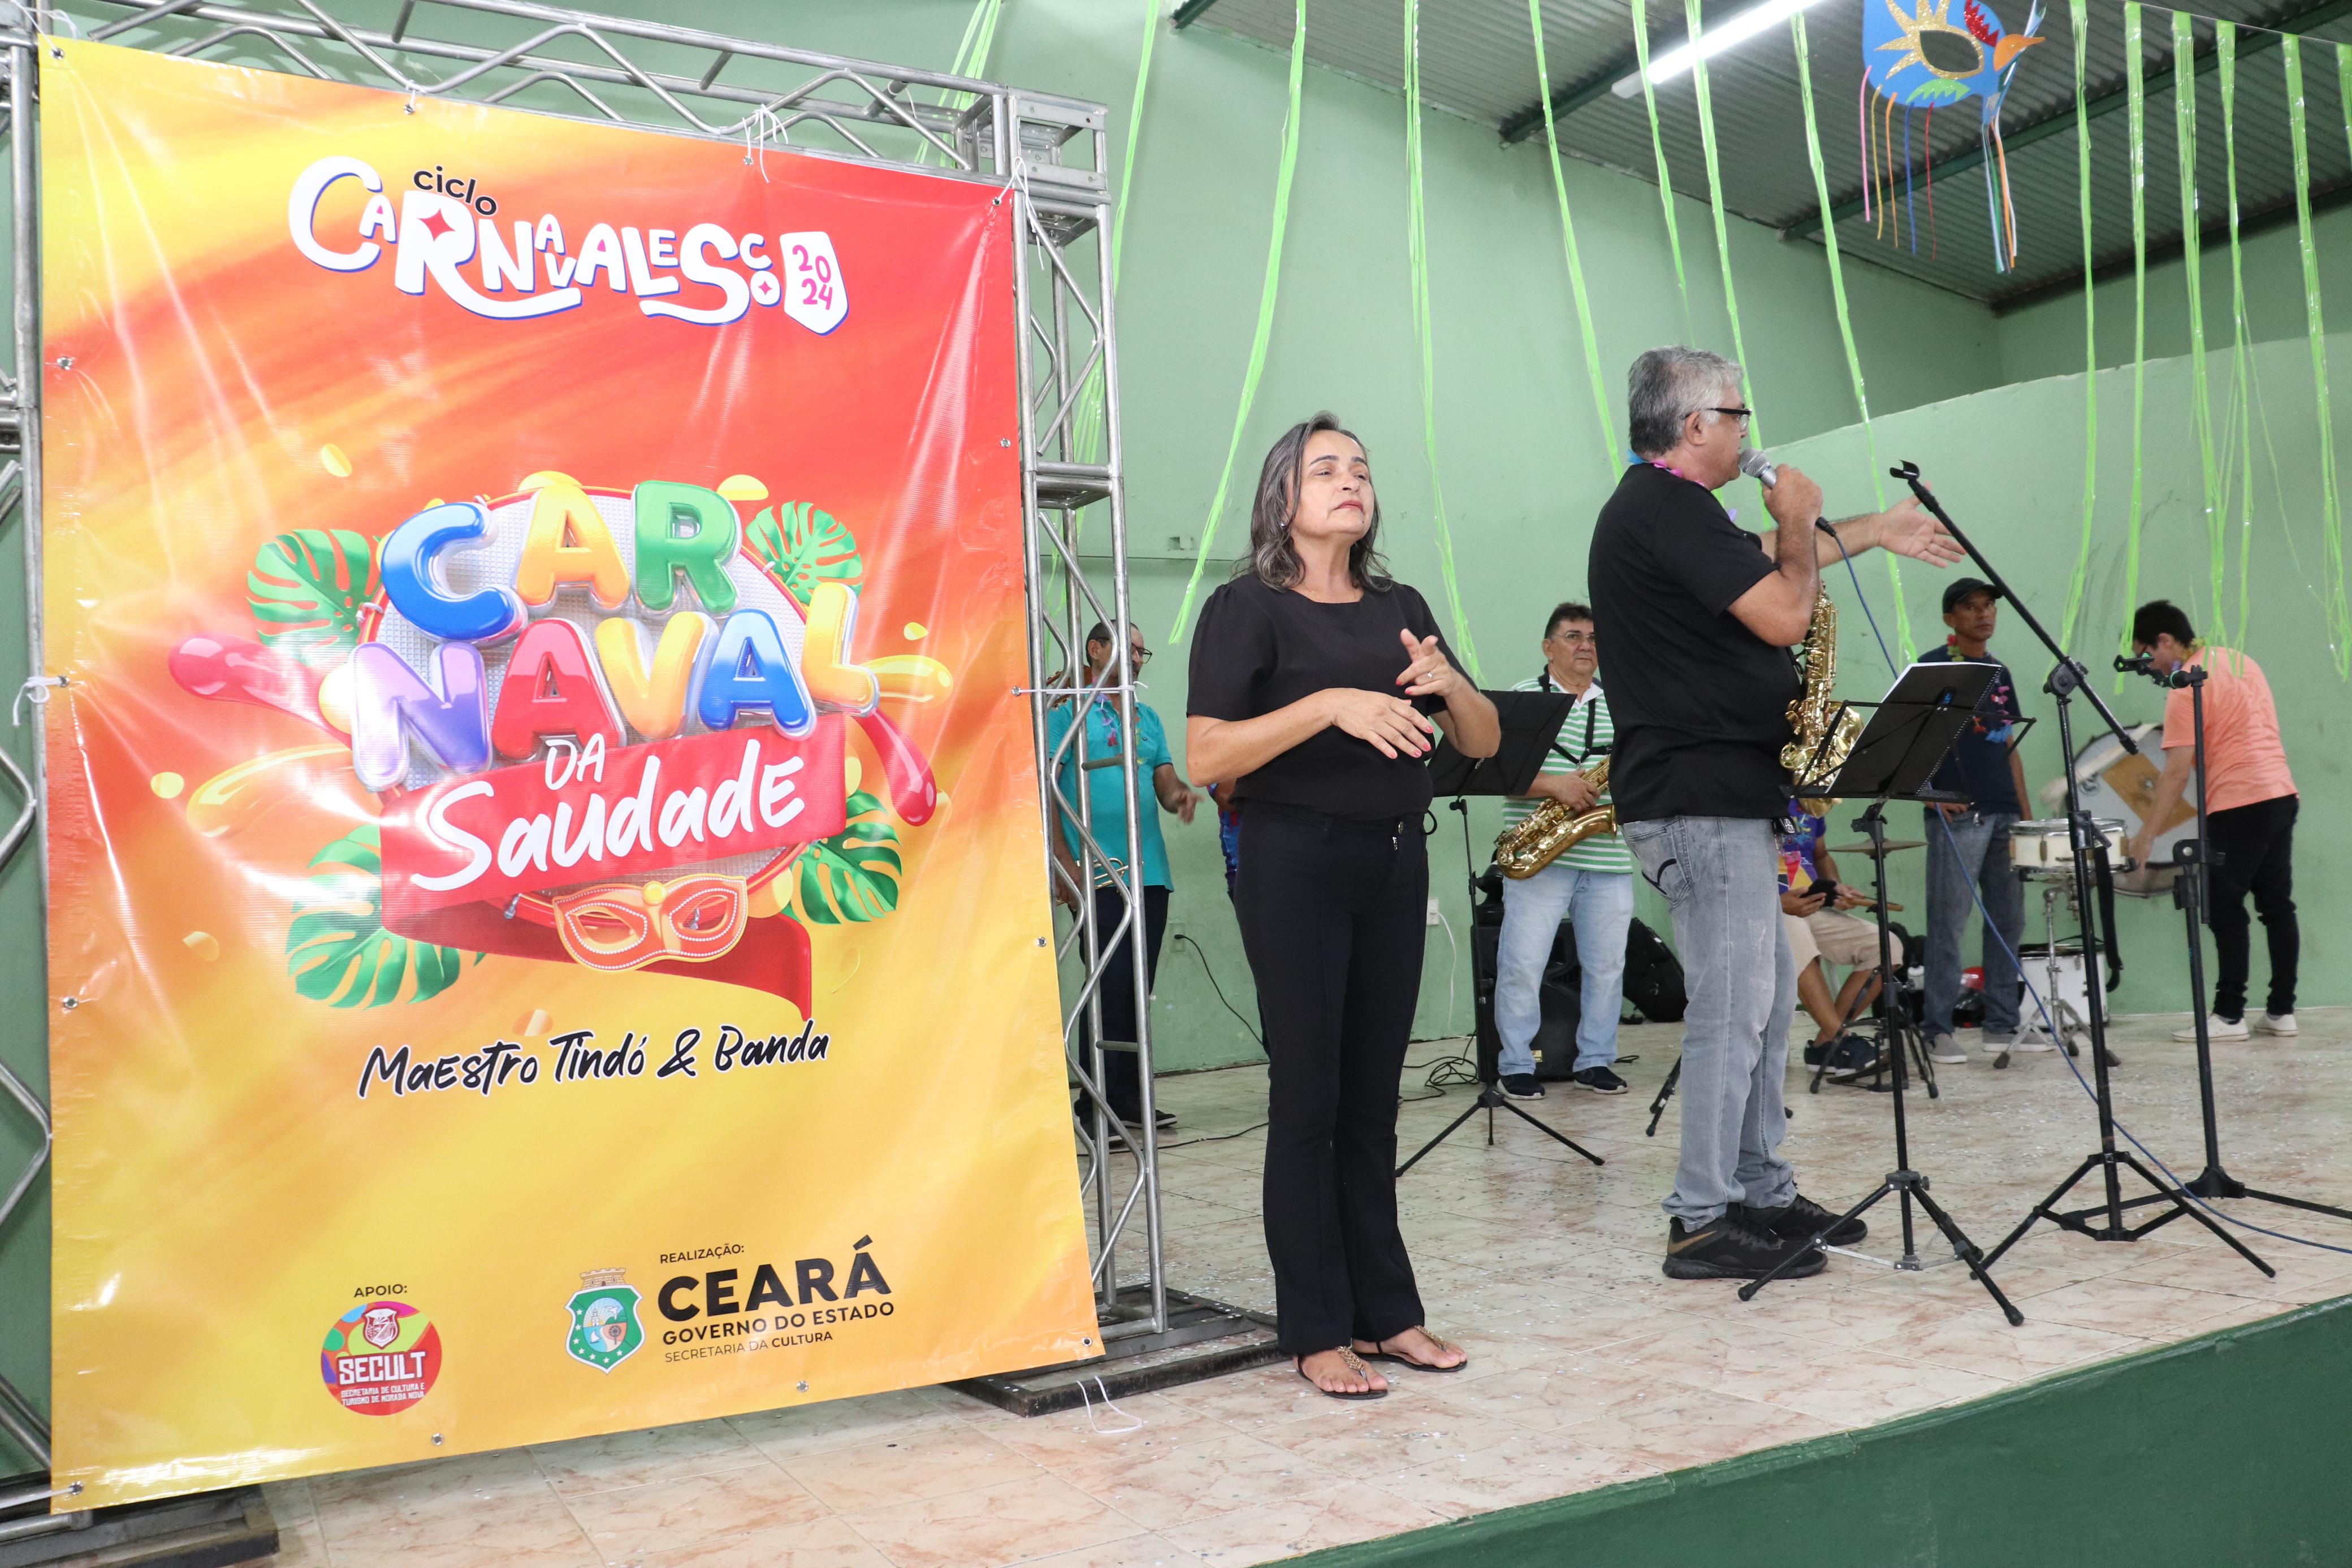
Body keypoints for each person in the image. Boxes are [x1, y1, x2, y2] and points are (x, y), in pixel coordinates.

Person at [1588, 345, 1961, 1283]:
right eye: (1737, 412)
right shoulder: (1662, 506)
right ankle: (1701, 1217)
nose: (1749, 429)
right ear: (1695, 425)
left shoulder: (1675, 512)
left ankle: (1760, 1189)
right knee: (1731, 1010)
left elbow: (1761, 565)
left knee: (1760, 1004)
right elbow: (1788, 612)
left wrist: (1874, 529)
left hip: (1725, 798)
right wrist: (1798, 514)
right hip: (1696, 800)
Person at [1187, 412, 1499, 1399]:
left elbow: (1484, 741)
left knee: (1374, 1099)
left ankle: (1387, 1312)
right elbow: (1205, 756)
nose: (1350, 480)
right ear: (1283, 496)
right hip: (1294, 863)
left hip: (1394, 860)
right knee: (1309, 1098)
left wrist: (1452, 684)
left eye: (1360, 468)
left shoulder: (1399, 604)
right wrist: (1329, 705)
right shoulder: (1246, 607)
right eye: (1326, 468)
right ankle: (1316, 1327)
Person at [2124, 601, 2299, 1042]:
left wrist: (2145, 836)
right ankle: (2282, 1011)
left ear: (2165, 641)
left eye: (2147, 655)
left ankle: (2229, 1015)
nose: (2148, 667)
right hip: (2280, 793)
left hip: (2240, 803)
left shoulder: (2187, 688)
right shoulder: (2239, 660)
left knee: (2224, 907)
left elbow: (2176, 773)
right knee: (2276, 905)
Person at [1048, 621, 1197, 1131]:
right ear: (1095, 648)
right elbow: (1047, 789)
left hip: (1150, 875)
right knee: (1107, 988)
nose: (1136, 659)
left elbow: (1165, 784)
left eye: (1141, 652)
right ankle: (1093, 1107)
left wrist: (1181, 796)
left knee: (1137, 989)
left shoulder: (1146, 717)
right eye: (1129, 648)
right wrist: (1064, 865)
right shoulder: (1065, 712)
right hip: (1095, 872)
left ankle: (1129, 1100)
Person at [1493, 603, 1636, 1099]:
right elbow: (1500, 773)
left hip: (1607, 855)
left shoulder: (1623, 703)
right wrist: (1557, 785)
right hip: (1539, 855)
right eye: (1574, 636)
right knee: (1523, 964)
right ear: (1548, 647)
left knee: (1608, 967)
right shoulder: (1522, 698)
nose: (1586, 646)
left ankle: (1595, 1061)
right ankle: (1516, 1064)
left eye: (1594, 638)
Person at [1918, 578, 2035, 1065]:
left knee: (2008, 920)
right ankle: (1937, 1029)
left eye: (1989, 607)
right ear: (1950, 618)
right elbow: (1907, 738)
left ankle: (2002, 1025)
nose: (1984, 615)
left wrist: (2026, 817)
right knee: (1949, 923)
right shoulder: (1932, 667)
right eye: (1971, 607)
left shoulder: (1998, 671)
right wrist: (1927, 794)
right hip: (1960, 813)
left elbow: (2008, 744)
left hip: (2004, 810)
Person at [1778, 805, 1897, 1078]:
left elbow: (1821, 855)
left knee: (1888, 945)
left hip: (1814, 906)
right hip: (1774, 909)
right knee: (1797, 936)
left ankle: (1826, 1044)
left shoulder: (1812, 805)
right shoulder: (1757, 800)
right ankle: (1841, 1040)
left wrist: (1835, 888)